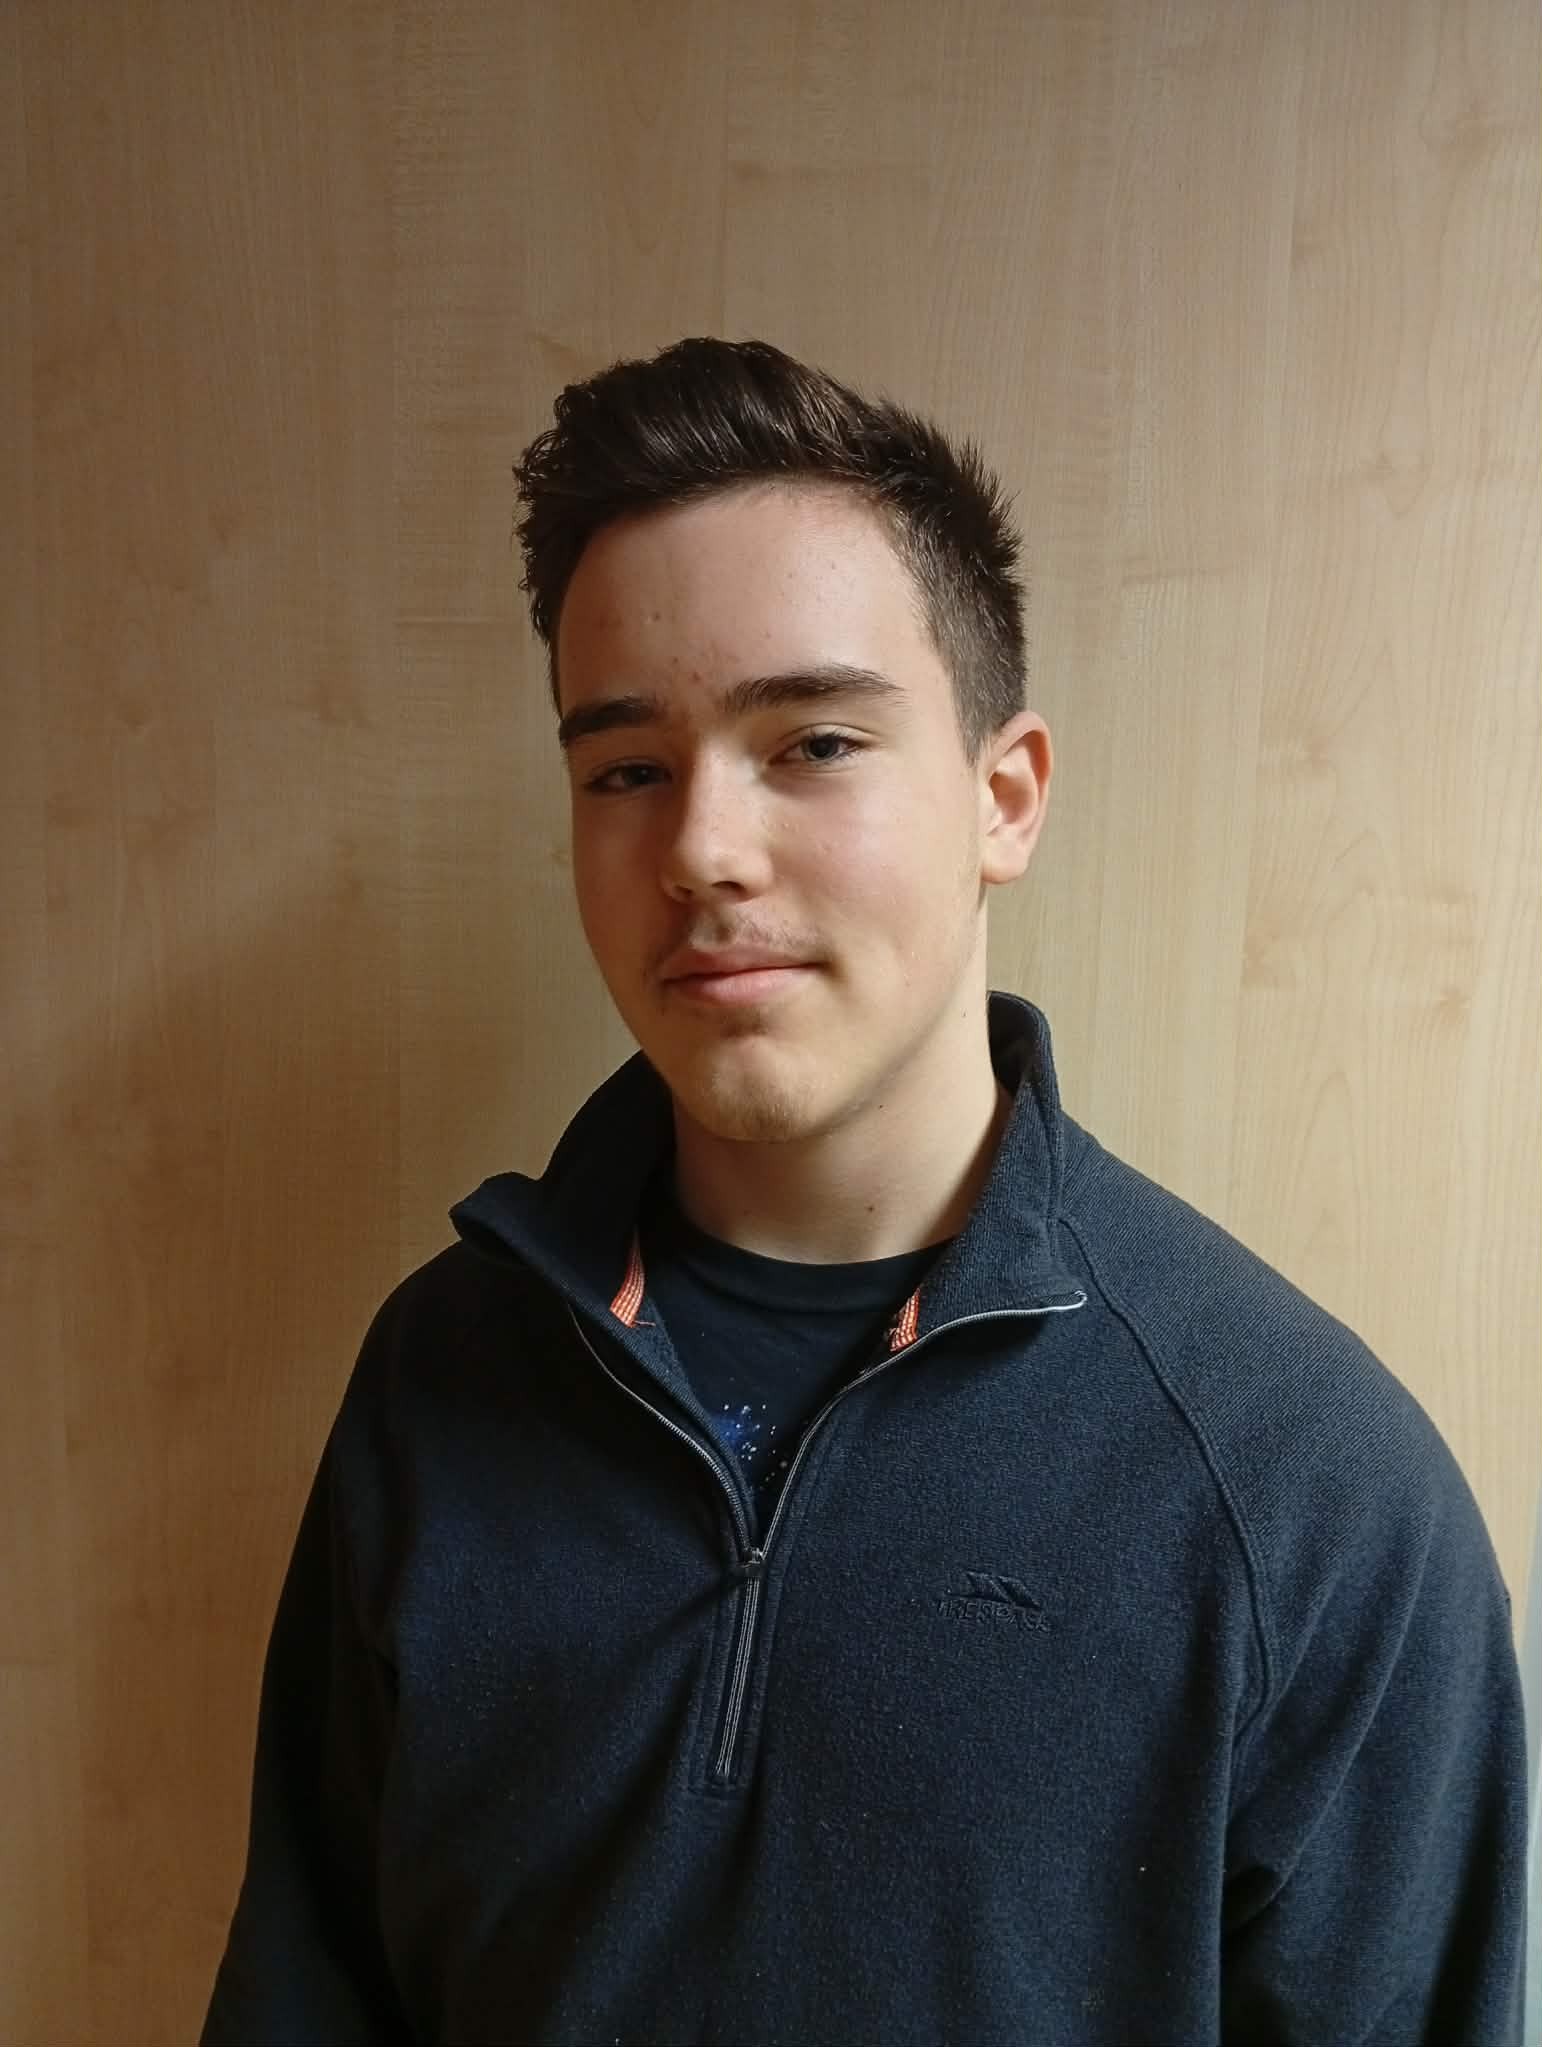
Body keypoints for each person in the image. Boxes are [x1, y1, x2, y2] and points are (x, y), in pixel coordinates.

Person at [200, 337, 1528, 2046]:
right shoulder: (444, 1370)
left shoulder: (1305, 1488)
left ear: (1002, 798)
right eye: (624, 769)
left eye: (813, 742)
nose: (700, 850)